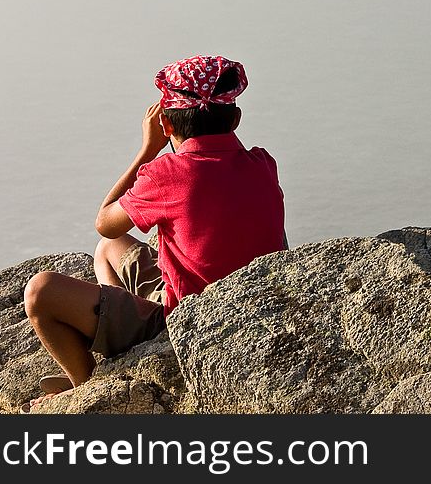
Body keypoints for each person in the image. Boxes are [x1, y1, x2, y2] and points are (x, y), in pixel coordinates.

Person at [21, 55, 286, 412]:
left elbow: (104, 220)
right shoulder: (262, 164)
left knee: (41, 291)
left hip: (186, 320)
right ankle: (117, 331)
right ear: (236, 119)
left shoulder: (167, 173)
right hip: (248, 302)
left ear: (165, 124)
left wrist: (148, 150)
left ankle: (86, 385)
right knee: (108, 249)